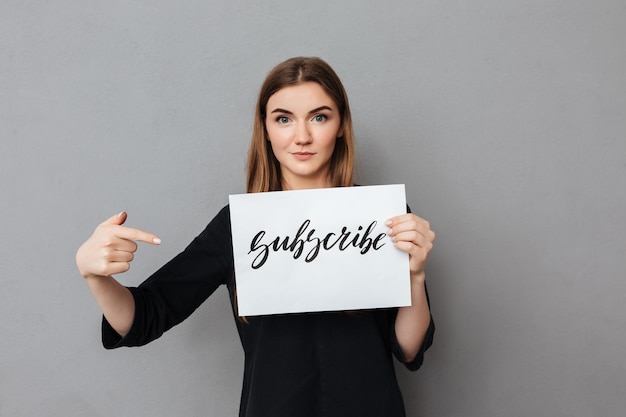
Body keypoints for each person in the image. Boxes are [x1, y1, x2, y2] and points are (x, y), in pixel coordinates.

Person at [76, 56, 436, 417]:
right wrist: (95, 276)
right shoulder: (240, 226)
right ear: (265, 128)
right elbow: (144, 317)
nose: (302, 136)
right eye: (283, 119)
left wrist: (415, 275)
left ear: (341, 124)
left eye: (319, 117)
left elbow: (406, 348)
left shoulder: (381, 216)